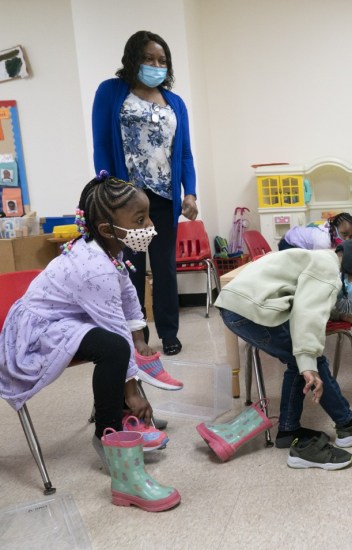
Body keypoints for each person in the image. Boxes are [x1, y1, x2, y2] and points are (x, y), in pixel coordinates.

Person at [0, 173, 173, 465]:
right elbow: (115, 328)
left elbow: (128, 295)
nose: (149, 226)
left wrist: (139, 337)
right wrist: (132, 391)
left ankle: (125, 412)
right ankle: (108, 431)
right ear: (106, 228)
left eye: (147, 217)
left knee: (128, 340)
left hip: (66, 319)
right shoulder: (95, 268)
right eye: (140, 220)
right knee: (114, 348)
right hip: (38, 331)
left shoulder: (108, 250)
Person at [204, 236, 352, 470]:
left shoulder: (325, 262)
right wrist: (307, 361)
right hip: (247, 310)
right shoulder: (328, 271)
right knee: (309, 360)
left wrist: (336, 316)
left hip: (240, 306)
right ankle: (347, 423)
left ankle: (289, 430)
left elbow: (308, 297)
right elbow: (307, 314)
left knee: (300, 361)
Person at [92, 30, 198, 356]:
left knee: (165, 268)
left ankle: (169, 333)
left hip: (165, 199)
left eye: (162, 60)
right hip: (127, 201)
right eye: (149, 58)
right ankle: (137, 334)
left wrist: (190, 193)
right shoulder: (111, 92)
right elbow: (102, 145)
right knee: (131, 269)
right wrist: (108, 190)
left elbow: (184, 154)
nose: (156, 65)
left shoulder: (175, 103)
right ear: (133, 59)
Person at [279, 212, 352, 251]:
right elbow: (318, 261)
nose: (347, 239)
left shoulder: (332, 231)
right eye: (344, 234)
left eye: (351, 236)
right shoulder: (323, 241)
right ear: (334, 228)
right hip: (288, 242)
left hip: (296, 235)